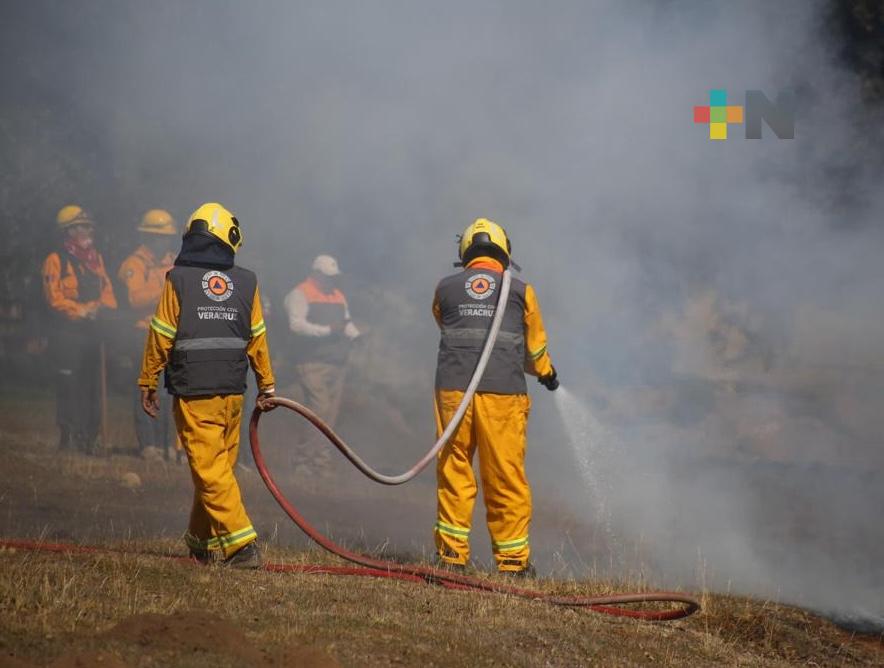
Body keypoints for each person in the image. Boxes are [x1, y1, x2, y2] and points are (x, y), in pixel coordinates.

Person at [138, 202, 276, 568]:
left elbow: (161, 332)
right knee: (216, 468)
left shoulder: (177, 279)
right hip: (233, 391)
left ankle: (240, 545)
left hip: (195, 390)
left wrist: (148, 377)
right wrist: (267, 384)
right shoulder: (247, 281)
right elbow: (257, 338)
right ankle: (200, 541)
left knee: (211, 469)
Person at [432, 218, 558, 576]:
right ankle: (513, 563)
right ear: (504, 251)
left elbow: (445, 324)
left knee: (454, 468)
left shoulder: (445, 288)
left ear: (466, 251)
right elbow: (535, 353)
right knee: (504, 475)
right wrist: (547, 373)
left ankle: (451, 558)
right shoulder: (520, 291)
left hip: (453, 391)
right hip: (503, 394)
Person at [41, 205, 117, 453]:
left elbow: (108, 292)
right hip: (67, 333)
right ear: (68, 231)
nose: (87, 230)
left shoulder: (96, 259)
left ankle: (90, 436)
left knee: (92, 384)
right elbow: (54, 298)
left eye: (88, 225)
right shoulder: (56, 259)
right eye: (80, 226)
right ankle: (69, 435)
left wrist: (102, 308)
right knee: (70, 383)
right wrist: (81, 310)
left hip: (93, 332)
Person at [283, 254, 360, 475]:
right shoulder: (299, 293)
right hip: (311, 363)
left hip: (337, 363)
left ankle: (321, 462)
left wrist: (356, 336)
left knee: (331, 414)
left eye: (333, 277)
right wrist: (327, 331)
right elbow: (296, 325)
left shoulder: (337, 295)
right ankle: (303, 461)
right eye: (328, 276)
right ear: (316, 274)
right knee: (319, 409)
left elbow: (346, 323)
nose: (331, 281)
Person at [118, 209, 177, 460]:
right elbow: (134, 298)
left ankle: (168, 445)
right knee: (147, 388)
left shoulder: (174, 261)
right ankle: (148, 445)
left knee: (170, 391)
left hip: (172, 334)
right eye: (155, 236)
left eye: (164, 236)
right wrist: (165, 290)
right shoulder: (134, 264)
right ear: (146, 236)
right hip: (145, 334)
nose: (160, 241)